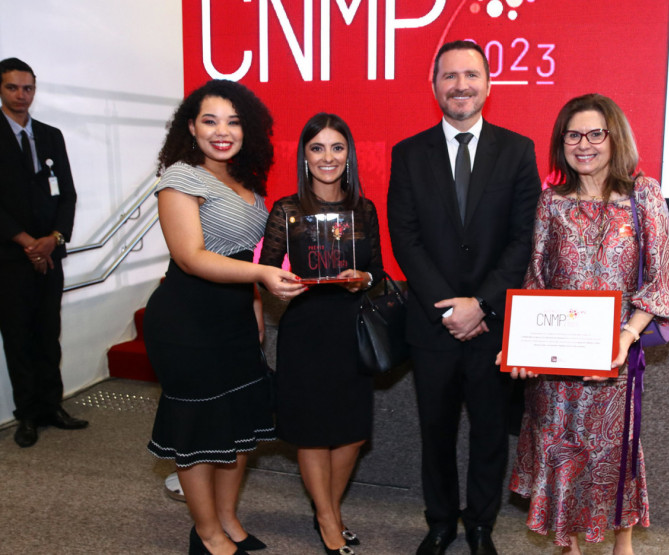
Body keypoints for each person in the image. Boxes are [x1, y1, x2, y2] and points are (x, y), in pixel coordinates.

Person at [505, 93, 669, 555]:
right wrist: (520, 348)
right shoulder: (551, 203)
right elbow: (536, 281)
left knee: (614, 455)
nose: (584, 145)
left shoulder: (644, 195)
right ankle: (570, 549)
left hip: (613, 360)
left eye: (595, 134)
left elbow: (659, 281)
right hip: (555, 368)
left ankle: (623, 547)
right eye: (573, 135)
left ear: (614, 137)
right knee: (561, 453)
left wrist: (626, 337)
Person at [387, 41, 541, 555]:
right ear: (434, 86)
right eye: (449, 76)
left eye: (471, 75)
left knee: (490, 433)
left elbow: (524, 237)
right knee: (435, 431)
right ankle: (440, 522)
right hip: (432, 324)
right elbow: (404, 237)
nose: (461, 85)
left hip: (493, 325)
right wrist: (451, 306)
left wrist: (482, 303)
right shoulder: (409, 153)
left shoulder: (517, 150)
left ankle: (480, 525)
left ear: (488, 84)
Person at [144, 79, 302, 555]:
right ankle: (207, 533)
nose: (222, 131)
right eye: (210, 121)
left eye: (233, 122)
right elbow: (191, 256)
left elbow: (241, 255)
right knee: (198, 432)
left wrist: (254, 306)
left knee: (238, 427)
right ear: (191, 127)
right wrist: (262, 275)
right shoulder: (180, 178)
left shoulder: (246, 183)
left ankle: (229, 520)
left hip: (235, 322)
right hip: (186, 322)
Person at [259, 113, 383, 555]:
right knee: (312, 432)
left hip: (352, 329)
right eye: (317, 148)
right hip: (305, 330)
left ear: (349, 154)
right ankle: (329, 519)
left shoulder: (364, 209)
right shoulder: (286, 209)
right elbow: (266, 272)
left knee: (352, 432)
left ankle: (325, 509)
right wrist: (279, 284)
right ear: (304, 156)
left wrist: (363, 279)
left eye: (337, 147)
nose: (327, 157)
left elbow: (378, 271)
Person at [0, 57, 86, 448]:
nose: (22, 95)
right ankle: (28, 415)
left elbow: (67, 194)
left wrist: (55, 237)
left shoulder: (51, 135)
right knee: (18, 337)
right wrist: (26, 242)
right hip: (10, 257)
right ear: (1, 89)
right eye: (13, 87)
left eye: (28, 88)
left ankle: (52, 406)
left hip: (51, 253)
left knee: (49, 333)